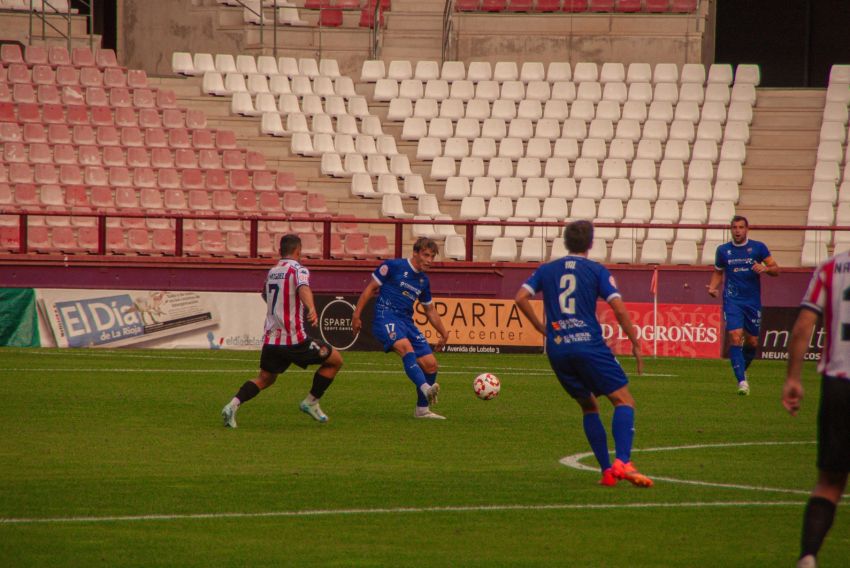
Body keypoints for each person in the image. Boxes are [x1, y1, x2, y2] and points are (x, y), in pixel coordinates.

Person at [515, 220, 652, 487]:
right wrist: (635, 342)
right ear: (590, 244)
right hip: (588, 344)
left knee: (589, 406)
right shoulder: (596, 270)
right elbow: (619, 308)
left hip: (558, 349)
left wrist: (541, 327)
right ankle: (623, 462)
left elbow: (520, 297)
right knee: (623, 401)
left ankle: (606, 472)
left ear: (565, 242)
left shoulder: (547, 270)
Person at [221, 234, 343, 428]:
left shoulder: (272, 272)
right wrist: (311, 307)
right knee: (335, 360)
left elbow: (265, 294)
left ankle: (232, 405)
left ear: (280, 251)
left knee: (265, 379)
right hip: (294, 340)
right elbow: (303, 288)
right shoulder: (298, 269)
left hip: (272, 340)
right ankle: (310, 402)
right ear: (298, 251)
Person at [782, 249, 850, 568]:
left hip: (839, 384)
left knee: (829, 481)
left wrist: (793, 378)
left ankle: (808, 556)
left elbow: (802, 327)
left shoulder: (831, 268)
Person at [351, 237, 449, 419]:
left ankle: (422, 410)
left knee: (431, 364)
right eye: (426, 255)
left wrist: (443, 332)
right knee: (406, 348)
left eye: (432, 256)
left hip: (406, 321)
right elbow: (370, 289)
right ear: (415, 253)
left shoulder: (423, 281)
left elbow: (430, 309)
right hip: (385, 315)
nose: (429, 260)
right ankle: (426, 389)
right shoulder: (394, 266)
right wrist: (356, 315)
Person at [707, 215, 779, 395]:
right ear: (730, 229)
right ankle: (741, 382)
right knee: (735, 335)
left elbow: (776, 269)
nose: (737, 230)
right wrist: (713, 288)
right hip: (732, 300)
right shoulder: (723, 251)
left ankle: (742, 370)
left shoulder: (758, 248)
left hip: (752, 301)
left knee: (752, 342)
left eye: (741, 227)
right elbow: (718, 272)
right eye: (734, 227)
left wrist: (766, 269)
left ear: (747, 229)